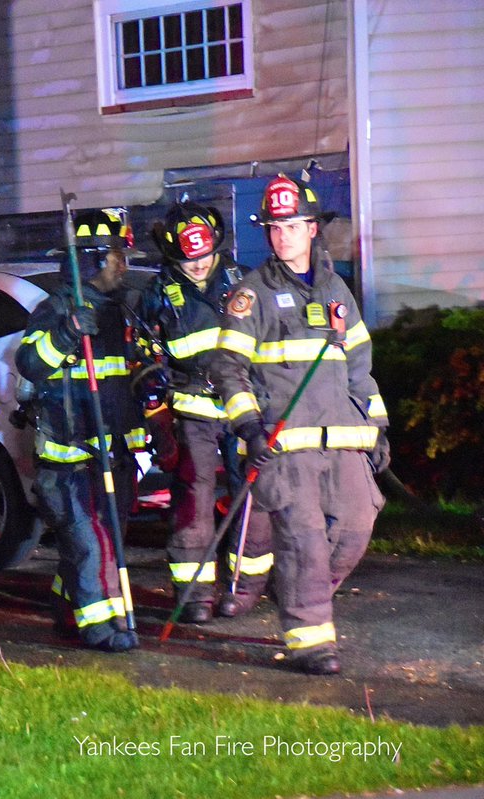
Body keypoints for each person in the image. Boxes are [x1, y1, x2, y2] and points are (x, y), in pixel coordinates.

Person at [211, 172, 389, 675]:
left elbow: (360, 368)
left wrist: (378, 427)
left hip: (345, 441)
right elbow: (228, 368)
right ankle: (309, 641)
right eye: (273, 226)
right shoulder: (252, 294)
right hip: (286, 447)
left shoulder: (337, 290)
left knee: (356, 529)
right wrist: (249, 428)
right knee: (305, 540)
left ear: (313, 228)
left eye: (291, 224)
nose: (281, 234)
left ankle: (299, 592)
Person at [15, 208, 144, 653]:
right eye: (115, 255)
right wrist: (67, 334)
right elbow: (29, 363)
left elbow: (126, 384)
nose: (123, 265)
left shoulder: (117, 312)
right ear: (89, 260)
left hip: (114, 454)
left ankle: (66, 611)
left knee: (98, 543)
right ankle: (101, 629)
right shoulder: (54, 310)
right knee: (90, 544)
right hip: (66, 459)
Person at [138, 202, 274, 622]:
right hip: (193, 409)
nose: (196, 266)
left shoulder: (244, 284)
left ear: (218, 247)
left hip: (246, 407)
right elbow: (144, 359)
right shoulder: (159, 294)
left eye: (203, 257)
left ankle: (243, 588)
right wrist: (157, 417)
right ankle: (194, 594)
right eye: (186, 260)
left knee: (253, 494)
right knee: (192, 498)